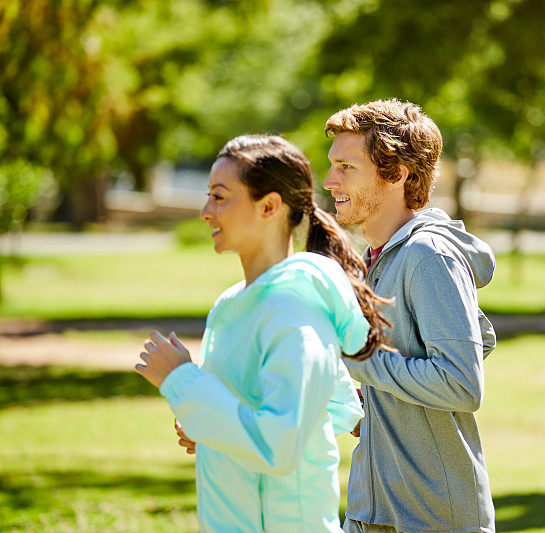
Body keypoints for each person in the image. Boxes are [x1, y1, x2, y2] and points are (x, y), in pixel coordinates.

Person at [134, 134, 391, 532]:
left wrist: (182, 381)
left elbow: (279, 444)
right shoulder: (232, 305)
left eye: (220, 197)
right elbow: (336, 409)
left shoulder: (296, 309)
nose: (205, 211)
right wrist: (209, 429)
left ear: (269, 206)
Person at [323, 100, 497, 533]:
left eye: (346, 167)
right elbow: (477, 337)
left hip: (432, 517)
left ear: (397, 173)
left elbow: (461, 381)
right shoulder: (374, 260)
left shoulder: (428, 255)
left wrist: (363, 362)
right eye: (332, 166)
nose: (329, 182)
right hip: (371, 508)